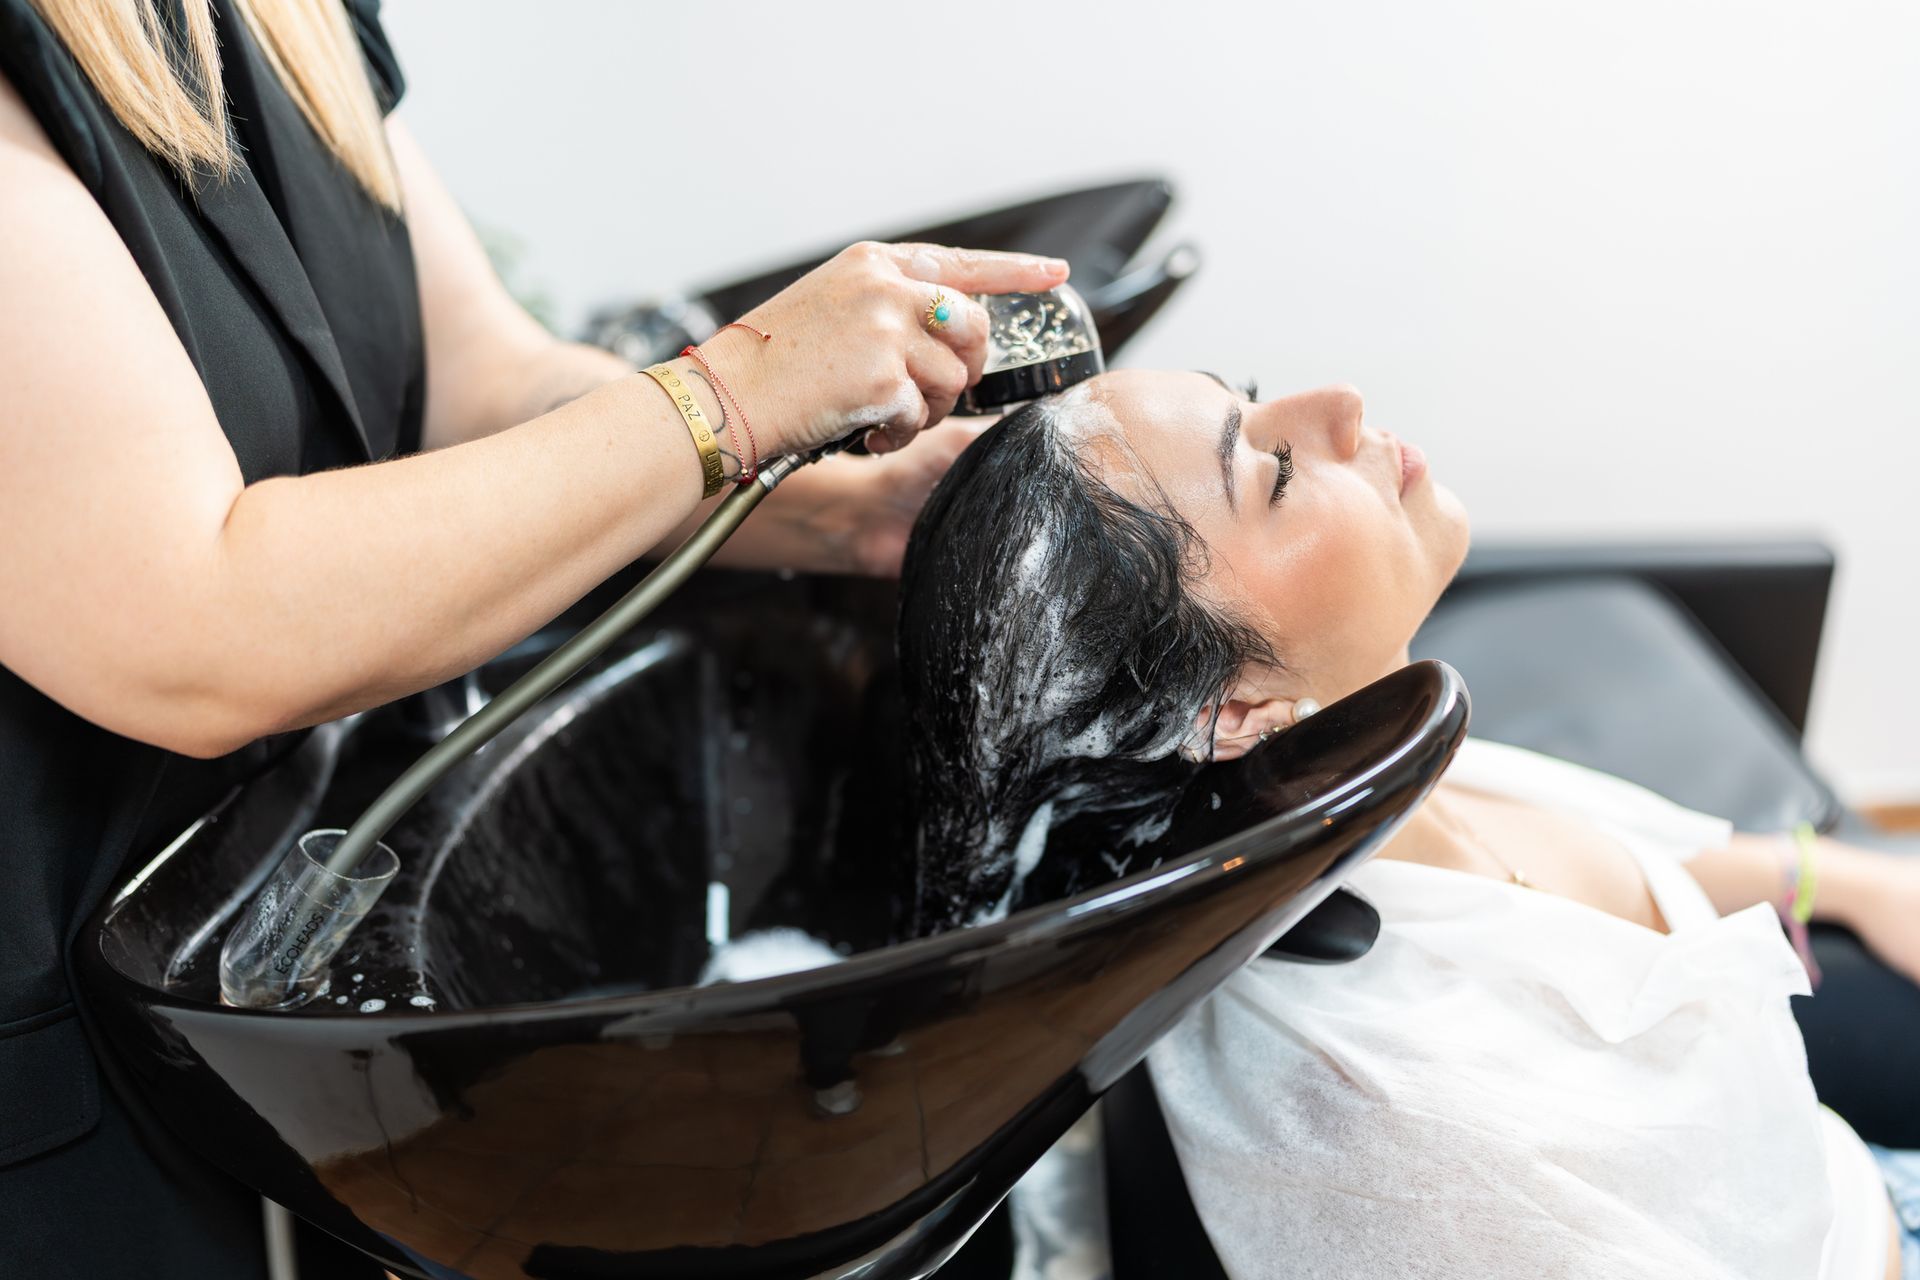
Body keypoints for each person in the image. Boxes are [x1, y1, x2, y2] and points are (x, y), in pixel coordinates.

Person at [0, 0, 1065, 1273]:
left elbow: (486, 385)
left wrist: (847, 514)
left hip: (237, 991)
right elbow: (191, 621)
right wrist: (736, 392)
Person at [896, 370, 1920, 1278]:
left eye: (1249, 395)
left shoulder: (1374, 751)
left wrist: (1849, 879)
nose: (1339, 400)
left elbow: (1629, 860)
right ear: (1234, 708)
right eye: (1273, 471)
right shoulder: (1402, 1119)